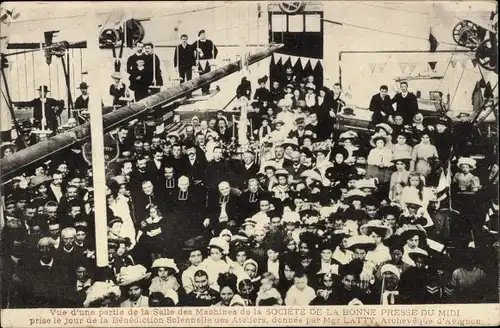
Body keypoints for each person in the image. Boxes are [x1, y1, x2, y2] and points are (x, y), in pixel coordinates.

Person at [194, 29, 218, 95]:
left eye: (204, 34)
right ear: (199, 36)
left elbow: (216, 50)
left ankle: (207, 90)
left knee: (208, 76)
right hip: (200, 62)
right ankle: (203, 91)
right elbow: (190, 50)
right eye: (202, 34)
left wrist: (212, 58)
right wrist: (195, 58)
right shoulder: (197, 43)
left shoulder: (209, 42)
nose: (203, 35)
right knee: (201, 77)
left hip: (208, 61)